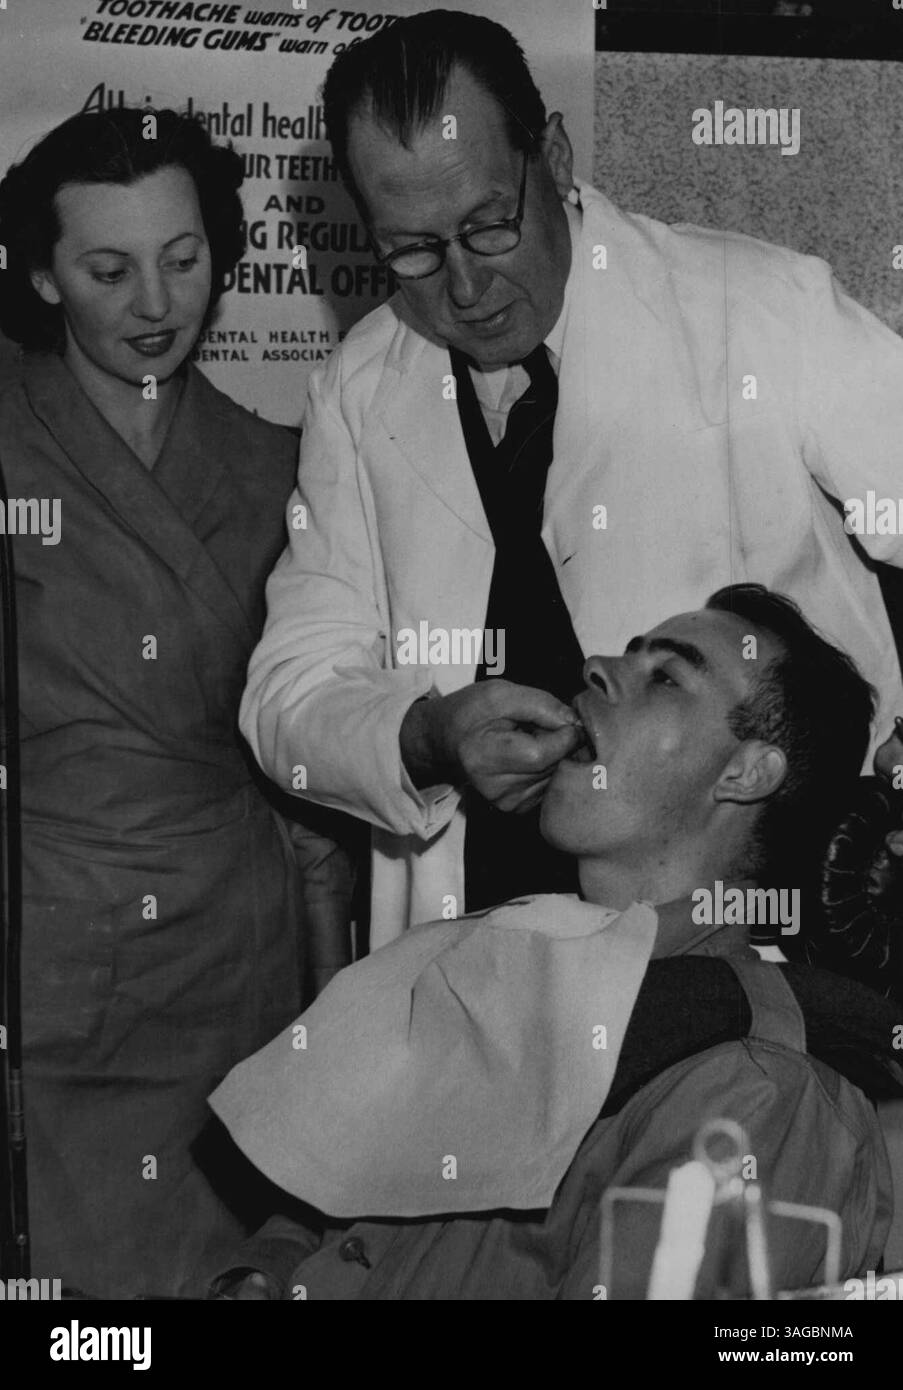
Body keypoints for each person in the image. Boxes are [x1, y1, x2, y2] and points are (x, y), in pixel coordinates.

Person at [240, 9, 903, 948]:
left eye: (488, 225)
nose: (463, 289)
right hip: (478, 966)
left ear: (551, 155)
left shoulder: (754, 312)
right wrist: (426, 737)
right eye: (413, 250)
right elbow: (289, 698)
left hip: (751, 949)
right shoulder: (358, 385)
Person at [211, 585, 901, 1300]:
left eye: (666, 677)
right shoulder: (483, 970)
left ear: (745, 773)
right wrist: (269, 1269)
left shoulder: (756, 1097)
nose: (597, 666)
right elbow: (342, 1210)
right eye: (624, 654)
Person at [0, 107, 356, 1299]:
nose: (156, 300)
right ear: (44, 276)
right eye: (108, 269)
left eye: (185, 257)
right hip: (47, 962)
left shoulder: (279, 462)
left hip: (231, 964)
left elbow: (312, 759)